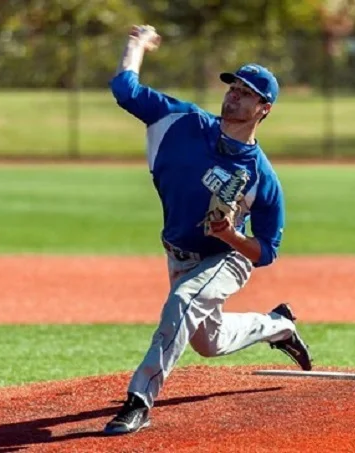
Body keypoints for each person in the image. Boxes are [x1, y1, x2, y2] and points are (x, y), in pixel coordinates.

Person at [102, 24, 313, 436]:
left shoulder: (261, 178)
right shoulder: (180, 122)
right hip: (178, 251)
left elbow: (265, 251)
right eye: (233, 87)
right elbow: (125, 89)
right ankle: (279, 325)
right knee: (209, 343)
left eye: (247, 93)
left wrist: (229, 235)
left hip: (226, 257)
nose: (234, 95)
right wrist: (136, 43)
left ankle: (139, 400)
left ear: (264, 108)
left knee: (181, 303)